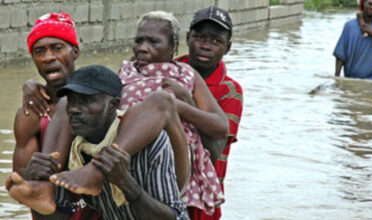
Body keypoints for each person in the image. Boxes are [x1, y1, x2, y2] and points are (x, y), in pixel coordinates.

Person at [20, 10, 228, 217]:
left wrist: (180, 104)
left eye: (153, 42)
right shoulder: (127, 70)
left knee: (160, 100)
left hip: (167, 157)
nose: (143, 48)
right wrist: (32, 86)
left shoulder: (185, 74)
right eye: (139, 41)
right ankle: (46, 186)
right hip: (126, 158)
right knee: (69, 101)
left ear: (173, 46)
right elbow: (92, 89)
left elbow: (221, 126)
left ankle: (96, 171)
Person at [6, 65, 188, 219]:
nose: (75, 109)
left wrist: (127, 185)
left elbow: (175, 216)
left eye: (87, 101)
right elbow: (59, 217)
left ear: (113, 105)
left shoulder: (150, 143)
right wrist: (38, 185)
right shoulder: (75, 148)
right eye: (73, 101)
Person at [10, 12, 100, 219]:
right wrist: (31, 174)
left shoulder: (99, 99)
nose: (48, 57)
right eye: (39, 51)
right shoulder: (31, 113)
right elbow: (19, 190)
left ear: (75, 52)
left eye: (57, 48)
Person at [175, 6, 243, 220]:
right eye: (200, 37)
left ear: (228, 47)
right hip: (160, 189)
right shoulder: (168, 70)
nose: (205, 46)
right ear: (187, 38)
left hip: (203, 199)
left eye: (216, 41)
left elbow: (214, 150)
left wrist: (186, 101)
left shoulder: (230, 91)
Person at [334, 0, 372, 81]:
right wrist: (336, 78)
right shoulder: (350, 25)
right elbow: (341, 55)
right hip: (351, 77)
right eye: (370, 4)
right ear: (363, 3)